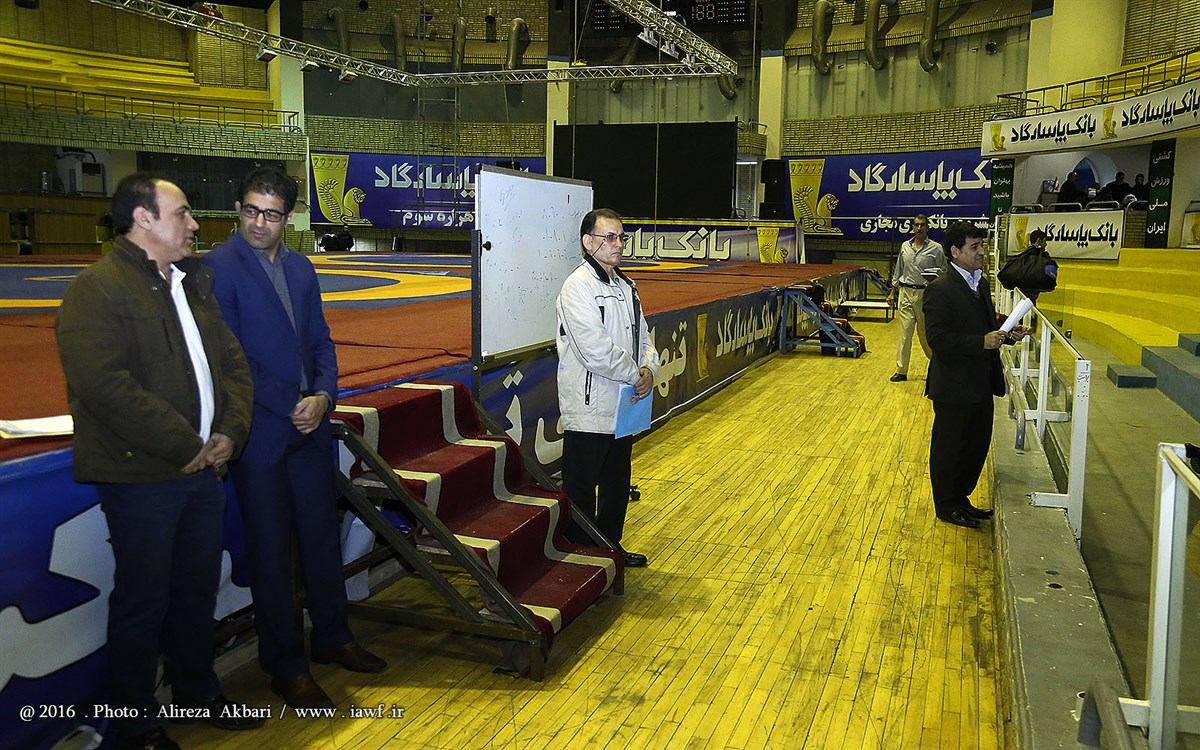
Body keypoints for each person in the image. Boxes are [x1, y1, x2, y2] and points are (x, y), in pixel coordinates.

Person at [55, 174, 260, 750]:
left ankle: (196, 693)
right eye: (183, 213)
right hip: (142, 476)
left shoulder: (192, 284)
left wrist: (229, 433)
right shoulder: (96, 290)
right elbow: (105, 387)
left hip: (203, 470)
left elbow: (233, 367)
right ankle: (134, 726)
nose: (194, 224)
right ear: (143, 219)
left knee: (196, 593)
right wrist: (187, 445)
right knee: (143, 603)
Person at [204, 167, 386, 710]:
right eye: (251, 210)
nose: (259, 222)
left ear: (289, 218)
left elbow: (320, 341)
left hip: (311, 426)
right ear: (238, 210)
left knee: (320, 538)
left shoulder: (302, 268)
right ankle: (285, 666)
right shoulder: (216, 268)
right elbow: (231, 358)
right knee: (271, 554)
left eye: (271, 214)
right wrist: (292, 404)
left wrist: (324, 396)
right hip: (260, 433)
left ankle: (332, 636)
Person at [556, 208, 659, 568]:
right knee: (581, 489)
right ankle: (582, 560)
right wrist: (635, 375)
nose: (618, 244)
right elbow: (595, 350)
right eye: (609, 237)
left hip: (623, 404)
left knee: (617, 484)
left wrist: (649, 369)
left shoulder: (627, 287)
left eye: (621, 237)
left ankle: (610, 550)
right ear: (588, 243)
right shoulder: (577, 287)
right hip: (588, 406)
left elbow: (643, 337)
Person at [923, 221, 1030, 529]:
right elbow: (938, 339)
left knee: (975, 446)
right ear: (955, 252)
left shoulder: (979, 283)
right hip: (954, 385)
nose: (982, 252)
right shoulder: (939, 289)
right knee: (950, 448)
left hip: (981, 382)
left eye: (981, 246)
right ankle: (947, 505)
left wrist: (1008, 330)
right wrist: (981, 342)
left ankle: (961, 499)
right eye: (975, 247)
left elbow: (983, 320)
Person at [887, 214, 945, 382]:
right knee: (905, 333)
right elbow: (899, 270)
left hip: (925, 295)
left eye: (922, 225)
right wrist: (892, 292)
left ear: (927, 227)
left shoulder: (936, 248)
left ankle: (938, 366)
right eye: (916, 225)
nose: (919, 228)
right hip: (905, 292)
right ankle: (901, 370)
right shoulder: (905, 246)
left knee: (924, 333)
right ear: (912, 227)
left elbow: (944, 271)